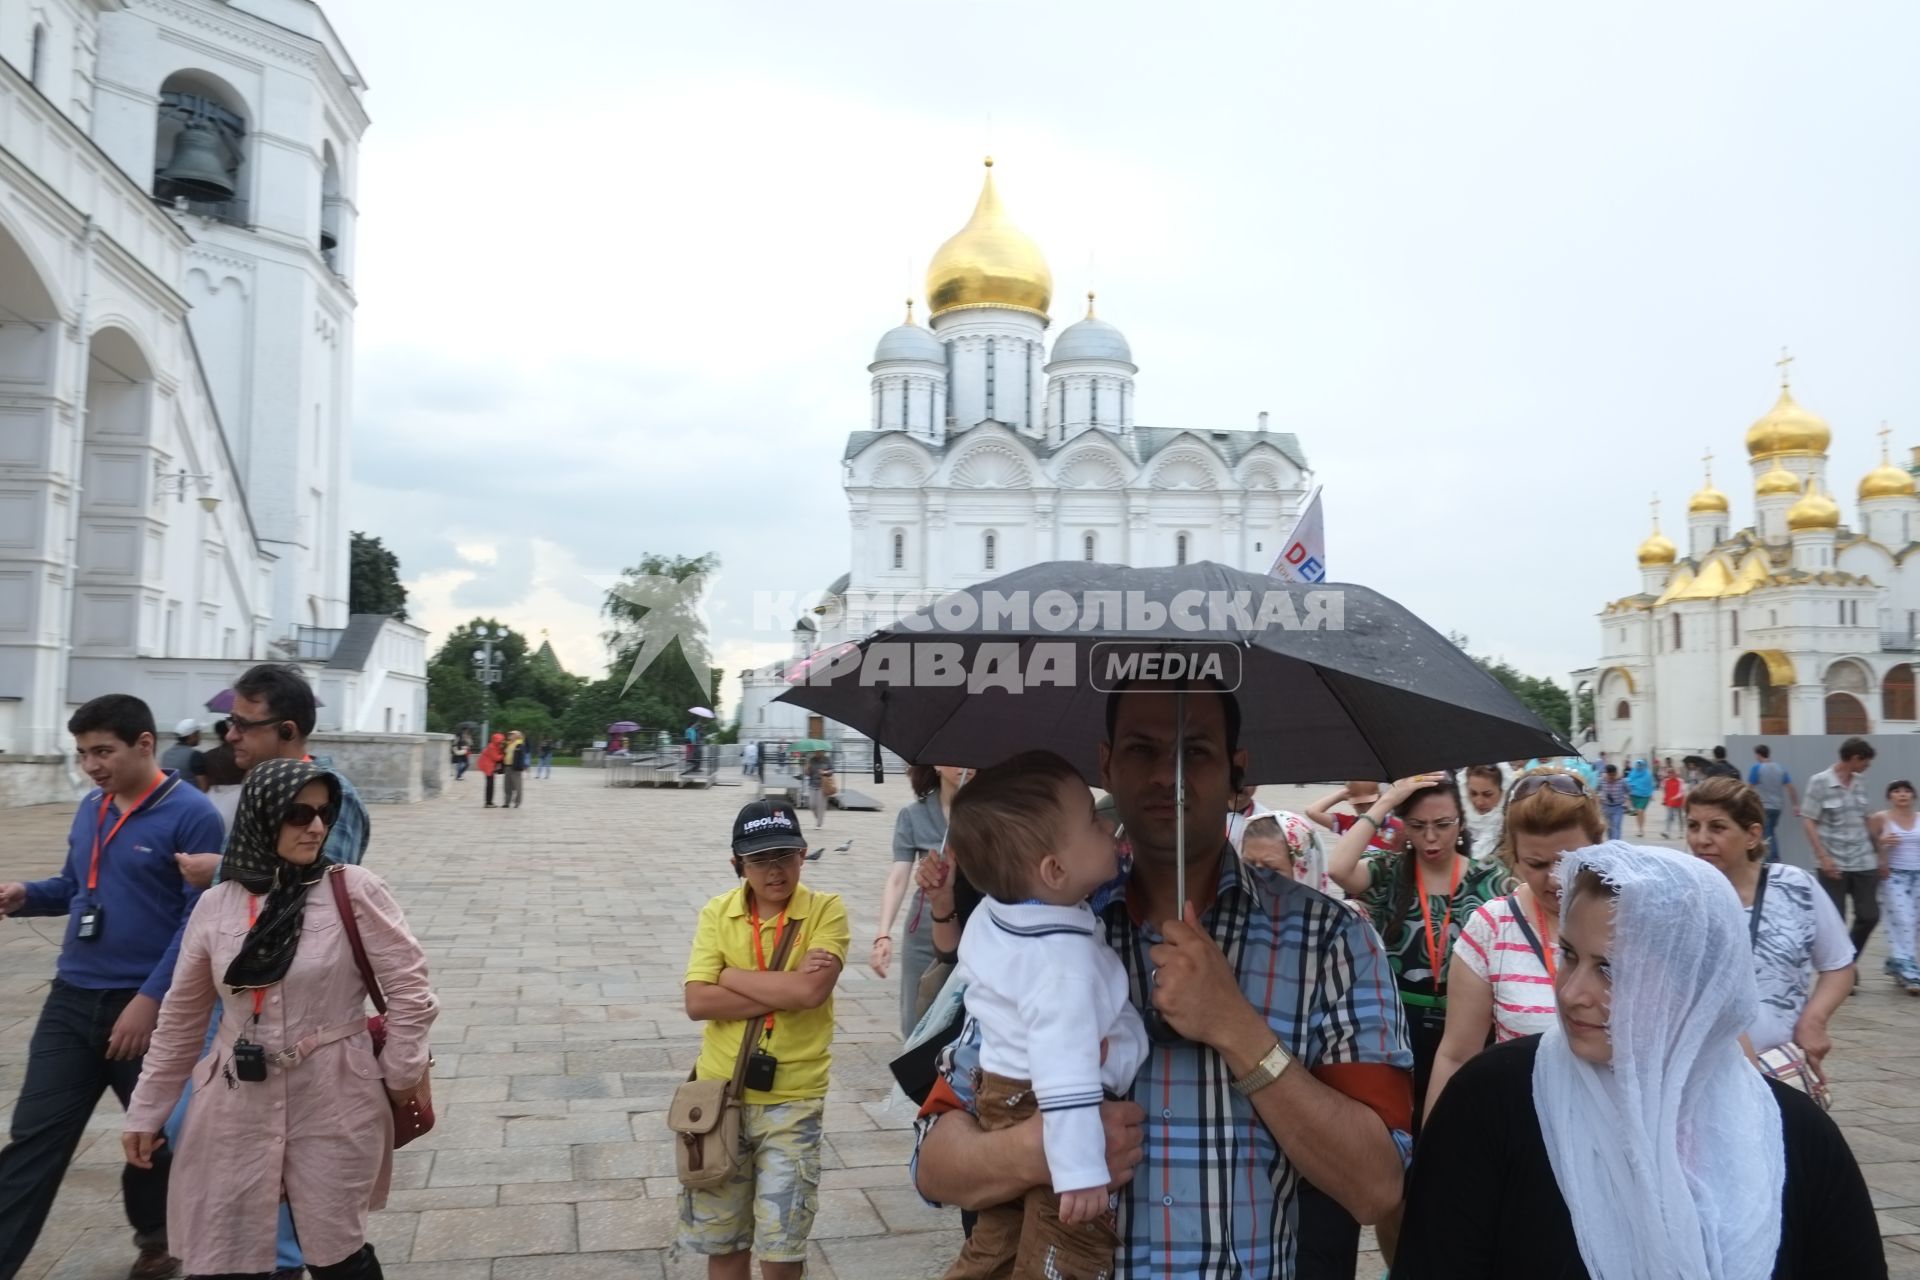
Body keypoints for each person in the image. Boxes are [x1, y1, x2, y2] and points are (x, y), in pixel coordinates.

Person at [913, 681, 1415, 1278]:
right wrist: (1042, 1148)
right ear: (1107, 763)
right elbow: (933, 1163)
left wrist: (1237, 1030)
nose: (1167, 776)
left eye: (1196, 751)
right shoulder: (1043, 933)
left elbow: (1377, 1186)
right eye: (1142, 750)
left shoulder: (1331, 940)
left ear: (1236, 769)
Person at [1396, 842, 1886, 1280]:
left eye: (1611, 969)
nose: (1572, 993)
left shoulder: (1794, 1137)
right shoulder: (1491, 1102)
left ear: (1696, 984)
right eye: (1569, 954)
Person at [122, 759, 436, 1280]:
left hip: (335, 1093)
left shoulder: (353, 890)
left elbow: (410, 989)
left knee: (336, 1252)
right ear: (262, 816)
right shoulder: (215, 907)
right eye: (298, 814)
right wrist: (146, 1110)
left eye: (323, 813)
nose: (315, 827)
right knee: (226, 1250)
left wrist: (402, 1074)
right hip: (233, 1099)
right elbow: (180, 1020)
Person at [0, 694, 224, 1280]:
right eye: (82, 754)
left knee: (151, 1134)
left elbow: (195, 924)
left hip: (148, 1008)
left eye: (104, 751)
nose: (92, 765)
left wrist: (149, 1001)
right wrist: (27, 895)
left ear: (145, 744)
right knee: (33, 1137)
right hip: (71, 999)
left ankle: (158, 1238)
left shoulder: (192, 814)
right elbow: (76, 887)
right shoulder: (90, 808)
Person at [941, 752, 1149, 1280]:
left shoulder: (1001, 912)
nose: (1108, 824)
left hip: (998, 1093)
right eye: (1092, 822)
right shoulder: (1063, 964)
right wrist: (1079, 1171)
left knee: (1000, 1235)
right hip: (1052, 1107)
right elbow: (1066, 1072)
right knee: (1067, 1247)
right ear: (1054, 871)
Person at [681, 800, 848, 1280]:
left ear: (804, 854)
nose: (774, 870)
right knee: (724, 1244)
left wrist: (729, 975)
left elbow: (811, 990)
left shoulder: (825, 910)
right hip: (719, 1100)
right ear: (738, 865)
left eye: (785, 855)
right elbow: (698, 1001)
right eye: (759, 860)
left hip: (792, 1102)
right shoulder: (718, 912)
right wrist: (784, 990)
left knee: (782, 1248)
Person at [1324, 772, 1507, 1129]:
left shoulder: (1490, 879)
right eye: (1417, 826)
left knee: (1459, 1127)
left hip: (1468, 1029)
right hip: (1398, 1028)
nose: (1431, 837)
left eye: (1442, 824)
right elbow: (1338, 868)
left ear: (1460, 822)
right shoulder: (1390, 873)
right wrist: (1387, 801)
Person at [1424, 769, 1605, 1121]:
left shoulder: (1633, 921)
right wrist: (1434, 1157)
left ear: (1599, 843)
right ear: (1514, 857)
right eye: (1536, 864)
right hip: (1524, 1136)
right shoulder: (1491, 930)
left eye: (1569, 861)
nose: (1555, 879)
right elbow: (1457, 1056)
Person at [1687, 777, 1853, 1082]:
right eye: (1693, 826)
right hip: (1702, 1072)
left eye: (1717, 827)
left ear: (1752, 835)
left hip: (1780, 1067)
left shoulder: (1795, 887)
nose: (1701, 839)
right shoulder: (1678, 896)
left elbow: (1838, 965)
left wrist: (1813, 1022)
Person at [871, 764, 969, 1038]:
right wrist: (882, 935)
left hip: (971, 930)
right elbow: (898, 878)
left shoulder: (989, 814)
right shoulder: (913, 815)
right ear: (936, 764)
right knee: (916, 1017)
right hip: (923, 933)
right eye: (955, 757)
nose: (966, 766)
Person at [1800, 736, 1883, 954]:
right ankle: (1843, 967)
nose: (1867, 767)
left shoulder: (1860, 783)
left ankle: (1849, 958)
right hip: (1833, 862)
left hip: (1864, 859)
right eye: (1866, 762)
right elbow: (1808, 820)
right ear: (1855, 758)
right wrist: (1823, 857)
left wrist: (1880, 853)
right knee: (1834, 919)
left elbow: (1867, 818)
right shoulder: (1819, 781)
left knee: (1870, 915)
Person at [1868, 780, 1920, 995]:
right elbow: (1869, 842)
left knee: (1915, 923)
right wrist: (1881, 843)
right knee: (1903, 920)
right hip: (1893, 875)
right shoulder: (1881, 818)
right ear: (1889, 796)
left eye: (1907, 791)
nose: (1902, 795)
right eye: (1897, 791)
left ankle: (1899, 963)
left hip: (1918, 875)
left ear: (1913, 796)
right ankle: (1911, 974)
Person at [1749, 744, 1799, 858]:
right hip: (1777, 808)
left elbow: (1749, 788)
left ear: (1758, 755)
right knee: (1769, 831)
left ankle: (1772, 860)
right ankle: (1769, 858)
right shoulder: (1780, 768)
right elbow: (1790, 787)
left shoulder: (1757, 768)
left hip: (1764, 806)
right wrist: (1795, 805)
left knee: (1768, 834)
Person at [1461, 765, 1506, 863]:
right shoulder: (1459, 822)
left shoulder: (1510, 826)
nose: (1479, 802)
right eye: (1473, 793)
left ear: (1502, 792)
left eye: (1487, 794)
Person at [161, 718, 210, 791]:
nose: (200, 736)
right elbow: (204, 786)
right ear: (192, 736)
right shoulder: (195, 755)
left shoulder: (166, 754)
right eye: (198, 733)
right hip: (191, 799)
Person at [1624, 758, 1654, 838]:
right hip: (1634, 795)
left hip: (1645, 796)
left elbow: (1651, 785)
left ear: (1644, 765)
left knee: (1640, 811)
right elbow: (1628, 782)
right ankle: (1640, 828)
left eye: (1641, 765)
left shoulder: (1647, 774)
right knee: (1639, 812)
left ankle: (1641, 829)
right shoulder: (1633, 773)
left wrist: (1651, 794)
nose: (1639, 766)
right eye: (1638, 764)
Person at [1596, 764, 1627, 840]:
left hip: (1618, 807)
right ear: (1607, 774)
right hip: (1606, 807)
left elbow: (1628, 791)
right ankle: (1610, 843)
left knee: (1616, 826)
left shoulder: (1622, 781)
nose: (1612, 777)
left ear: (1616, 773)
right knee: (1609, 827)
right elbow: (1596, 790)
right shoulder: (1601, 780)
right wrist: (1598, 799)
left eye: (1614, 775)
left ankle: (1616, 844)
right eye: (1610, 775)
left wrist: (1627, 801)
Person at [1659, 761, 1686, 838]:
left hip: (1679, 802)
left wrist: (1675, 797)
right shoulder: (1665, 781)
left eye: (1672, 772)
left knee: (1680, 817)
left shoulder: (1680, 781)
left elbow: (1681, 791)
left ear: (1675, 773)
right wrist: (1664, 799)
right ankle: (1667, 832)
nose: (1670, 774)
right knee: (1669, 817)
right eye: (1669, 773)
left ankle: (1681, 832)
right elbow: (1663, 790)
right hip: (1669, 802)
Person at [503, 731, 529, 809]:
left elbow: (523, 756)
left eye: (512, 734)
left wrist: (524, 766)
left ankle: (517, 802)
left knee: (518, 786)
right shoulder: (509, 744)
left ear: (517, 736)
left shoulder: (520, 744)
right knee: (507, 786)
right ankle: (507, 802)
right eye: (509, 734)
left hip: (515, 768)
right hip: (507, 766)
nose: (510, 735)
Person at [477, 732, 504, 808]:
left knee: (490, 784)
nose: (501, 742)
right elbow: (496, 758)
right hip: (488, 766)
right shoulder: (492, 747)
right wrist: (504, 755)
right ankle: (488, 803)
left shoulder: (494, 746)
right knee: (490, 785)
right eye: (500, 741)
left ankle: (489, 802)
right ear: (496, 740)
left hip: (489, 766)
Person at [805, 752, 829, 829]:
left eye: (819, 751)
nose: (817, 753)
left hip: (822, 785)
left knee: (821, 805)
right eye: (816, 752)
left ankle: (819, 823)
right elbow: (807, 774)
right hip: (812, 785)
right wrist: (807, 768)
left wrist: (825, 772)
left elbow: (833, 770)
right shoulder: (811, 760)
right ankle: (818, 817)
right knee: (812, 805)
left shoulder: (827, 760)